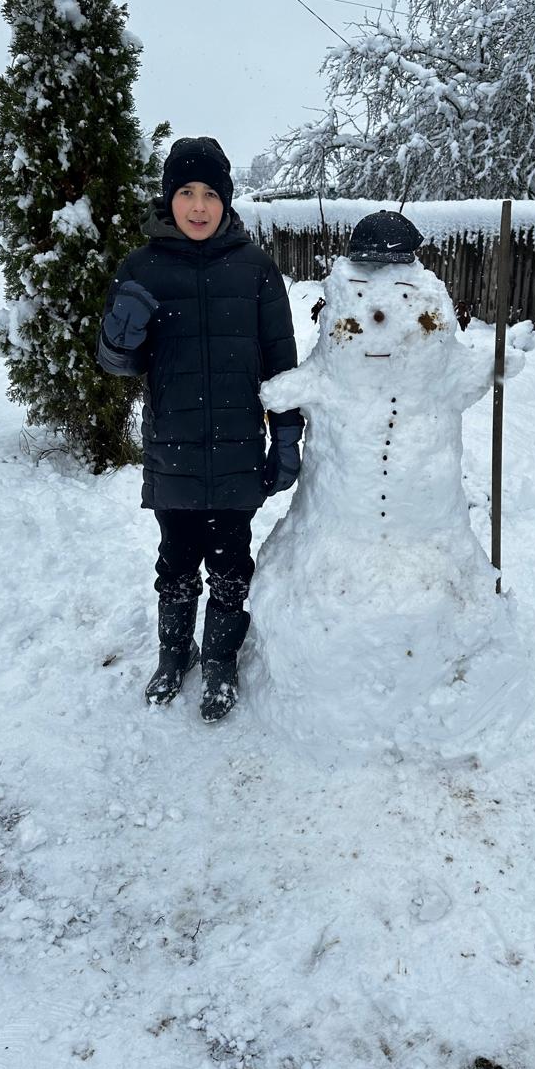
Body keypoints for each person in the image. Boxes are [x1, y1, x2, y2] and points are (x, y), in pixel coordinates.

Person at [97, 136, 302, 721]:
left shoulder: (256, 270)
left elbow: (280, 361)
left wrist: (287, 437)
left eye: (209, 193)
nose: (197, 205)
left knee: (232, 565)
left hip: (238, 446)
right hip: (173, 449)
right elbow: (118, 363)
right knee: (176, 561)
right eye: (185, 192)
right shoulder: (140, 268)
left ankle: (219, 663)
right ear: (169, 199)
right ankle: (173, 653)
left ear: (226, 200)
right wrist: (119, 333)